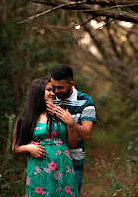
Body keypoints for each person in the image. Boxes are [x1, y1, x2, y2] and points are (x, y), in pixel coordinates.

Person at [12, 77, 79, 197]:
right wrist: (28, 148)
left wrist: (71, 123)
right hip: (40, 170)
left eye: (53, 90)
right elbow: (15, 147)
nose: (53, 93)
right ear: (38, 92)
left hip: (63, 168)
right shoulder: (25, 118)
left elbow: (73, 144)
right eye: (49, 90)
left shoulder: (60, 114)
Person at [46, 64, 96, 192]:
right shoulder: (49, 97)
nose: (56, 91)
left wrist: (71, 122)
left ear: (71, 83)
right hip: (50, 160)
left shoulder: (86, 102)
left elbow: (86, 135)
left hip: (74, 159)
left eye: (60, 87)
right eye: (54, 86)